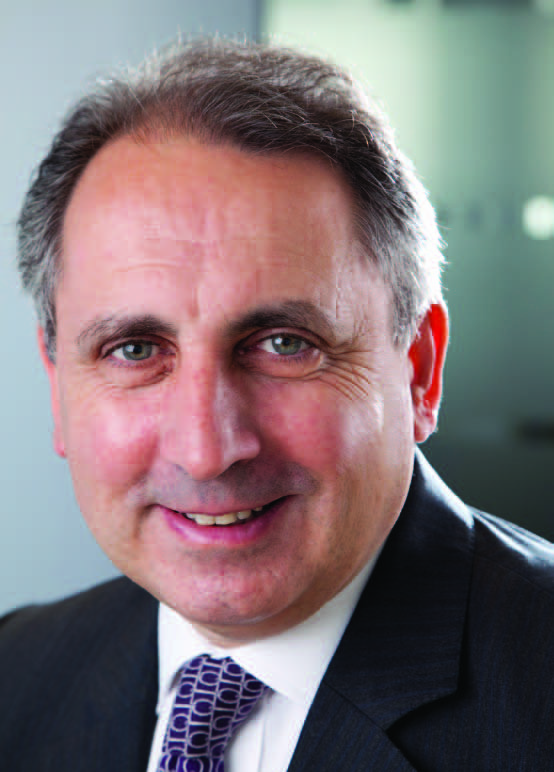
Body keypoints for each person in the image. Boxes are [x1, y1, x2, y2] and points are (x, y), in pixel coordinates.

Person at [1, 36, 553, 772]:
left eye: (283, 344)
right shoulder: (19, 675)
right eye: (135, 350)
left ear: (418, 369)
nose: (206, 448)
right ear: (58, 386)